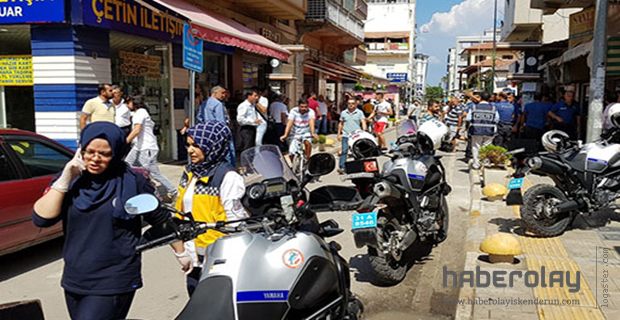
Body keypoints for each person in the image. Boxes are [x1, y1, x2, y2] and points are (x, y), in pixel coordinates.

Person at [32, 122, 191, 320]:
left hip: (115, 277)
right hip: (76, 277)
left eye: (104, 154)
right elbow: (41, 219)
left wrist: (181, 252)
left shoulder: (132, 182)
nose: (95, 159)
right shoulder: (72, 181)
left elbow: (160, 219)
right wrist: (65, 178)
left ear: (116, 153)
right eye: (89, 152)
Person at [179, 121, 248, 296]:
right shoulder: (190, 172)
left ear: (213, 145)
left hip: (216, 258)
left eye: (196, 145)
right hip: (192, 255)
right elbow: (181, 210)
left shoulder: (228, 177)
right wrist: (181, 250)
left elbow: (235, 220)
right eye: (188, 145)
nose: (190, 150)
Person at [125, 98, 177, 201]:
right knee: (126, 166)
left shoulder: (140, 112)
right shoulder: (138, 113)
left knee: (152, 173)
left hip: (146, 148)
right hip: (138, 147)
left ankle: (172, 192)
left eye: (128, 102)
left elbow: (137, 130)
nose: (126, 105)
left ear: (134, 103)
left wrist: (125, 141)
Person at [464, 91, 500, 170]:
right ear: (489, 98)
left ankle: (476, 164)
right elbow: (497, 119)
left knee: (476, 146)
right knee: (486, 147)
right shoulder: (493, 108)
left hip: (476, 130)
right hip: (489, 130)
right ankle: (485, 163)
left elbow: (468, 118)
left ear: (480, 98)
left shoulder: (474, 107)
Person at [337, 98, 367, 173]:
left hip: (356, 135)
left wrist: (364, 131)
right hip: (346, 135)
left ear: (355, 104)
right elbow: (341, 123)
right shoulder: (343, 113)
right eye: (349, 103)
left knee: (357, 151)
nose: (350, 105)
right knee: (344, 150)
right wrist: (339, 133)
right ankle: (342, 167)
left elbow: (363, 122)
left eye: (352, 103)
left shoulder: (359, 112)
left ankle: (357, 167)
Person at [236, 89, 262, 153]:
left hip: (252, 128)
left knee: (251, 147)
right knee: (247, 148)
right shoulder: (244, 106)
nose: (257, 98)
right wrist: (253, 121)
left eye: (257, 96)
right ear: (249, 96)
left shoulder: (252, 105)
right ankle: (246, 162)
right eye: (255, 96)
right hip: (246, 129)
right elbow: (240, 119)